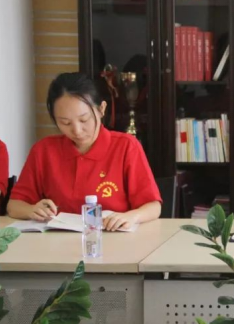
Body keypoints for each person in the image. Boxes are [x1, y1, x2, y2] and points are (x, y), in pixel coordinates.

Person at [7, 72, 162, 230]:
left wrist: (131, 216)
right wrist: (32, 210)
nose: (77, 130)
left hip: (112, 238)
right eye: (65, 123)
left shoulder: (126, 147)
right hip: (57, 241)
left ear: (101, 109)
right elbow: (14, 205)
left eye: (84, 119)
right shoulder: (43, 151)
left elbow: (153, 206)